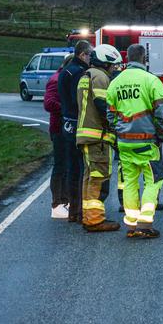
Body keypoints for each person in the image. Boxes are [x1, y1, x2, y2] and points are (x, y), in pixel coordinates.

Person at [106, 44, 163, 239]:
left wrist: (119, 133)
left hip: (124, 142)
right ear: (144, 58)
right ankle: (145, 223)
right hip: (147, 142)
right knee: (153, 180)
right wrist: (161, 135)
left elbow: (110, 115)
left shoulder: (115, 83)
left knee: (130, 182)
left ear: (127, 58)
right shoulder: (151, 81)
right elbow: (162, 113)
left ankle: (132, 224)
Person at [76, 44, 123, 232]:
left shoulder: (86, 75)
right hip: (97, 136)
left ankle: (88, 216)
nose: (114, 69)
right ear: (106, 62)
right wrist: (115, 127)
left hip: (86, 135)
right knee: (98, 178)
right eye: (113, 66)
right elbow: (103, 106)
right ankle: (95, 220)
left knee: (89, 177)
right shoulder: (100, 77)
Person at [58, 40, 91, 223]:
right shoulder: (79, 73)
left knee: (72, 168)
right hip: (77, 123)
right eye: (89, 55)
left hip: (66, 123)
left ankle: (73, 209)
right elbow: (78, 100)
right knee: (81, 169)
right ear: (82, 54)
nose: (90, 58)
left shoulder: (65, 71)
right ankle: (79, 210)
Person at [44, 53, 74, 218]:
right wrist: (66, 109)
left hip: (65, 128)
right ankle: (57, 203)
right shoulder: (57, 80)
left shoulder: (62, 78)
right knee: (60, 166)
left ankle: (65, 200)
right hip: (59, 129)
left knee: (67, 166)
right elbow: (48, 103)